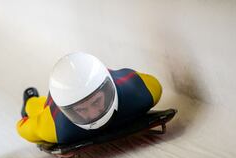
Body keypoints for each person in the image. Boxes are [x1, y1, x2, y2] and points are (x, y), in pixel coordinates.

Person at [16, 52, 162, 144]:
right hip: (53, 104)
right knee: (38, 107)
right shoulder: (56, 127)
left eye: (97, 101)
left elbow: (150, 81)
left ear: (108, 88)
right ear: (67, 111)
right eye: (82, 110)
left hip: (111, 78)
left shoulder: (141, 90)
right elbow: (23, 128)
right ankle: (31, 100)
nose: (93, 114)